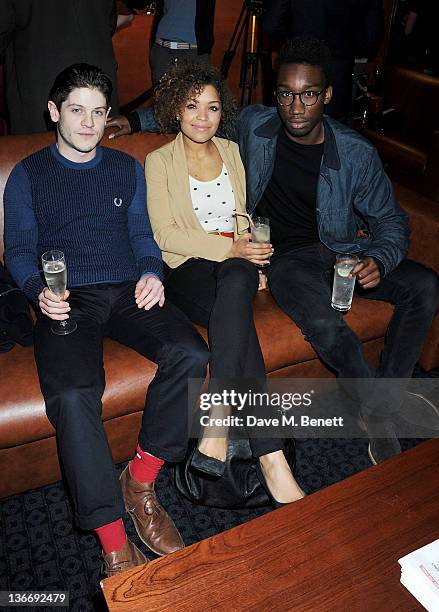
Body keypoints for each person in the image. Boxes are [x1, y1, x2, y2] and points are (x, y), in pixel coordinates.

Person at [107, 35, 439, 465]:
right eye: (286, 94)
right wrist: (134, 121)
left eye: (308, 95)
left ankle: (385, 400)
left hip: (342, 250)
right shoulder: (256, 126)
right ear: (275, 95)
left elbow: (391, 221)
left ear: (328, 95)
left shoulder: (356, 154)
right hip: (286, 257)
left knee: (426, 285)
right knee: (324, 321)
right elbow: (196, 111)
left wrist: (379, 258)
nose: (296, 107)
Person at [3, 63, 210, 577]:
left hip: (127, 288)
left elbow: (143, 234)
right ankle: (113, 540)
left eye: (98, 112)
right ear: (54, 112)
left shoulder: (124, 169)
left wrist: (151, 272)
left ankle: (140, 480)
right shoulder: (29, 174)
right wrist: (37, 294)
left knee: (192, 351)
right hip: (67, 297)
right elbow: (20, 250)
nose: (89, 124)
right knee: (73, 394)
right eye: (77, 111)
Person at [145, 61, 304, 506]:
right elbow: (165, 235)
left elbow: (241, 220)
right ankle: (271, 456)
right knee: (236, 285)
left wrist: (251, 251)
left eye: (212, 108)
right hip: (186, 269)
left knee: (237, 279)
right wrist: (234, 251)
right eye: (192, 106)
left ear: (222, 113)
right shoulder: (159, 160)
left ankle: (220, 420)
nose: (202, 116)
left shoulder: (232, 151)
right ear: (176, 109)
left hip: (232, 267)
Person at [0, 0, 120, 134]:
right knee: (101, 150)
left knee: (42, 152)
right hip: (97, 85)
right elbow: (110, 22)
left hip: (44, 89)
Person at [262, 0, 385, 123]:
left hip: (297, 69)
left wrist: (295, 39)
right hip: (339, 75)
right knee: (333, 133)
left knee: (286, 129)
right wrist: (344, 46)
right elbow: (371, 40)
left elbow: (272, 26)